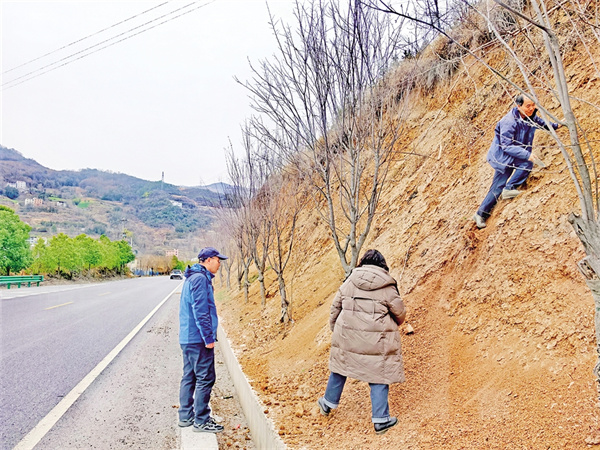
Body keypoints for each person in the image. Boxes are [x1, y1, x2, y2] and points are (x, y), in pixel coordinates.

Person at [317, 249, 406, 435]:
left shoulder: (350, 281)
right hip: (376, 341)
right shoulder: (387, 286)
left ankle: (327, 403)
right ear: (382, 265)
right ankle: (381, 420)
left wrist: (336, 329)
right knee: (379, 373)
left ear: (362, 263)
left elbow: (335, 307)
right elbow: (400, 314)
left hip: (347, 337)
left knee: (340, 367)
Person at [473, 94, 561, 229]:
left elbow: (542, 124)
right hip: (503, 158)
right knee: (499, 185)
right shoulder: (508, 122)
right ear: (519, 106)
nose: (532, 108)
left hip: (516, 154)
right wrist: (526, 154)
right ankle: (482, 213)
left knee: (524, 165)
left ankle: (507, 190)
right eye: (528, 106)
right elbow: (506, 146)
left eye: (533, 105)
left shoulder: (530, 117)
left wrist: (556, 126)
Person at [178, 246, 228, 433]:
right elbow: (201, 310)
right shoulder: (200, 279)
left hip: (188, 337)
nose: (219, 264)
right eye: (218, 260)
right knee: (206, 378)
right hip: (197, 338)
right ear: (208, 260)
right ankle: (201, 420)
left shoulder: (193, 277)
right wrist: (208, 337)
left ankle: (185, 416)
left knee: (189, 376)